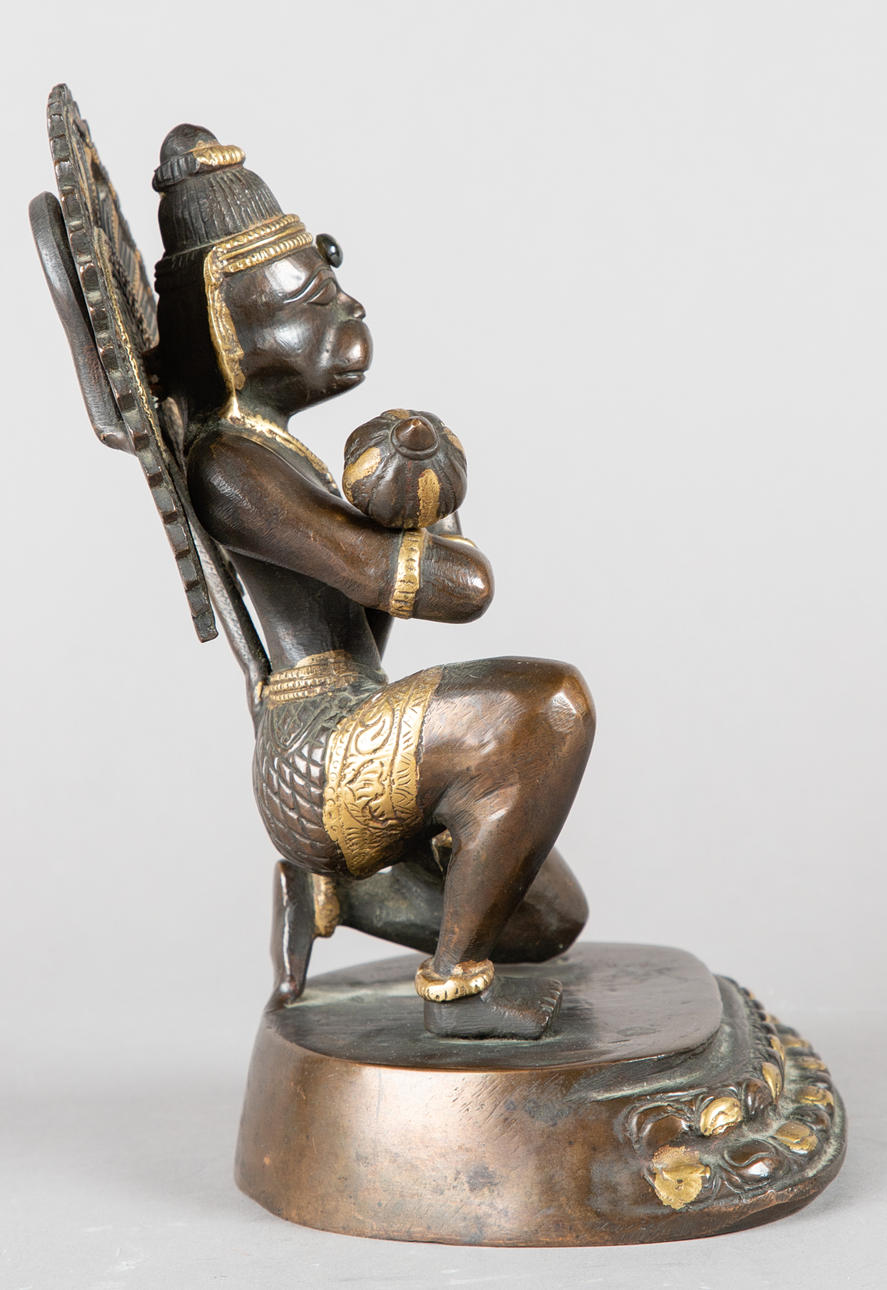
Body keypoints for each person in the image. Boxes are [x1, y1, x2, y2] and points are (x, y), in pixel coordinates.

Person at [153, 125, 595, 1038]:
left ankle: (340, 896)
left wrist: (424, 503)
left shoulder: (284, 457)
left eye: (336, 286)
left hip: (362, 715)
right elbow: (450, 591)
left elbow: (391, 598)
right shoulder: (232, 467)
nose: (349, 308)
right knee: (546, 706)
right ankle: (456, 989)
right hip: (318, 751)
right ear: (230, 336)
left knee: (546, 918)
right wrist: (425, 533)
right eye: (312, 299)